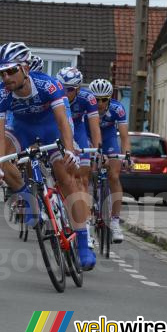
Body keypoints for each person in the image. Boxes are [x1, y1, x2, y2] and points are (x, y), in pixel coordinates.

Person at [0, 42, 96, 270]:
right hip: (22, 130)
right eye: (2, 72)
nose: (6, 77)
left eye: (11, 71)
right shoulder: (0, 96)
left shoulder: (48, 85)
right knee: (2, 158)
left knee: (65, 176)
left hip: (51, 130)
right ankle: (29, 199)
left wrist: (69, 149)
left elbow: (63, 121)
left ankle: (83, 244)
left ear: (26, 68)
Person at [57, 67, 102, 249]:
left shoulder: (87, 98)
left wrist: (97, 150)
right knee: (62, 176)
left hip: (79, 131)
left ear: (77, 89)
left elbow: (95, 127)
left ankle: (85, 229)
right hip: (60, 129)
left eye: (69, 89)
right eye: (62, 88)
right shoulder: (56, 97)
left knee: (83, 179)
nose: (65, 92)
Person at [89, 78, 132, 243]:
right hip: (89, 137)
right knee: (88, 173)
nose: (99, 103)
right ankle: (88, 211)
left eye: (103, 99)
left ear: (110, 98)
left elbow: (125, 137)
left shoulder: (117, 108)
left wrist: (127, 155)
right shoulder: (87, 108)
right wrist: (95, 152)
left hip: (108, 139)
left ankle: (114, 221)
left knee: (114, 177)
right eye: (96, 99)